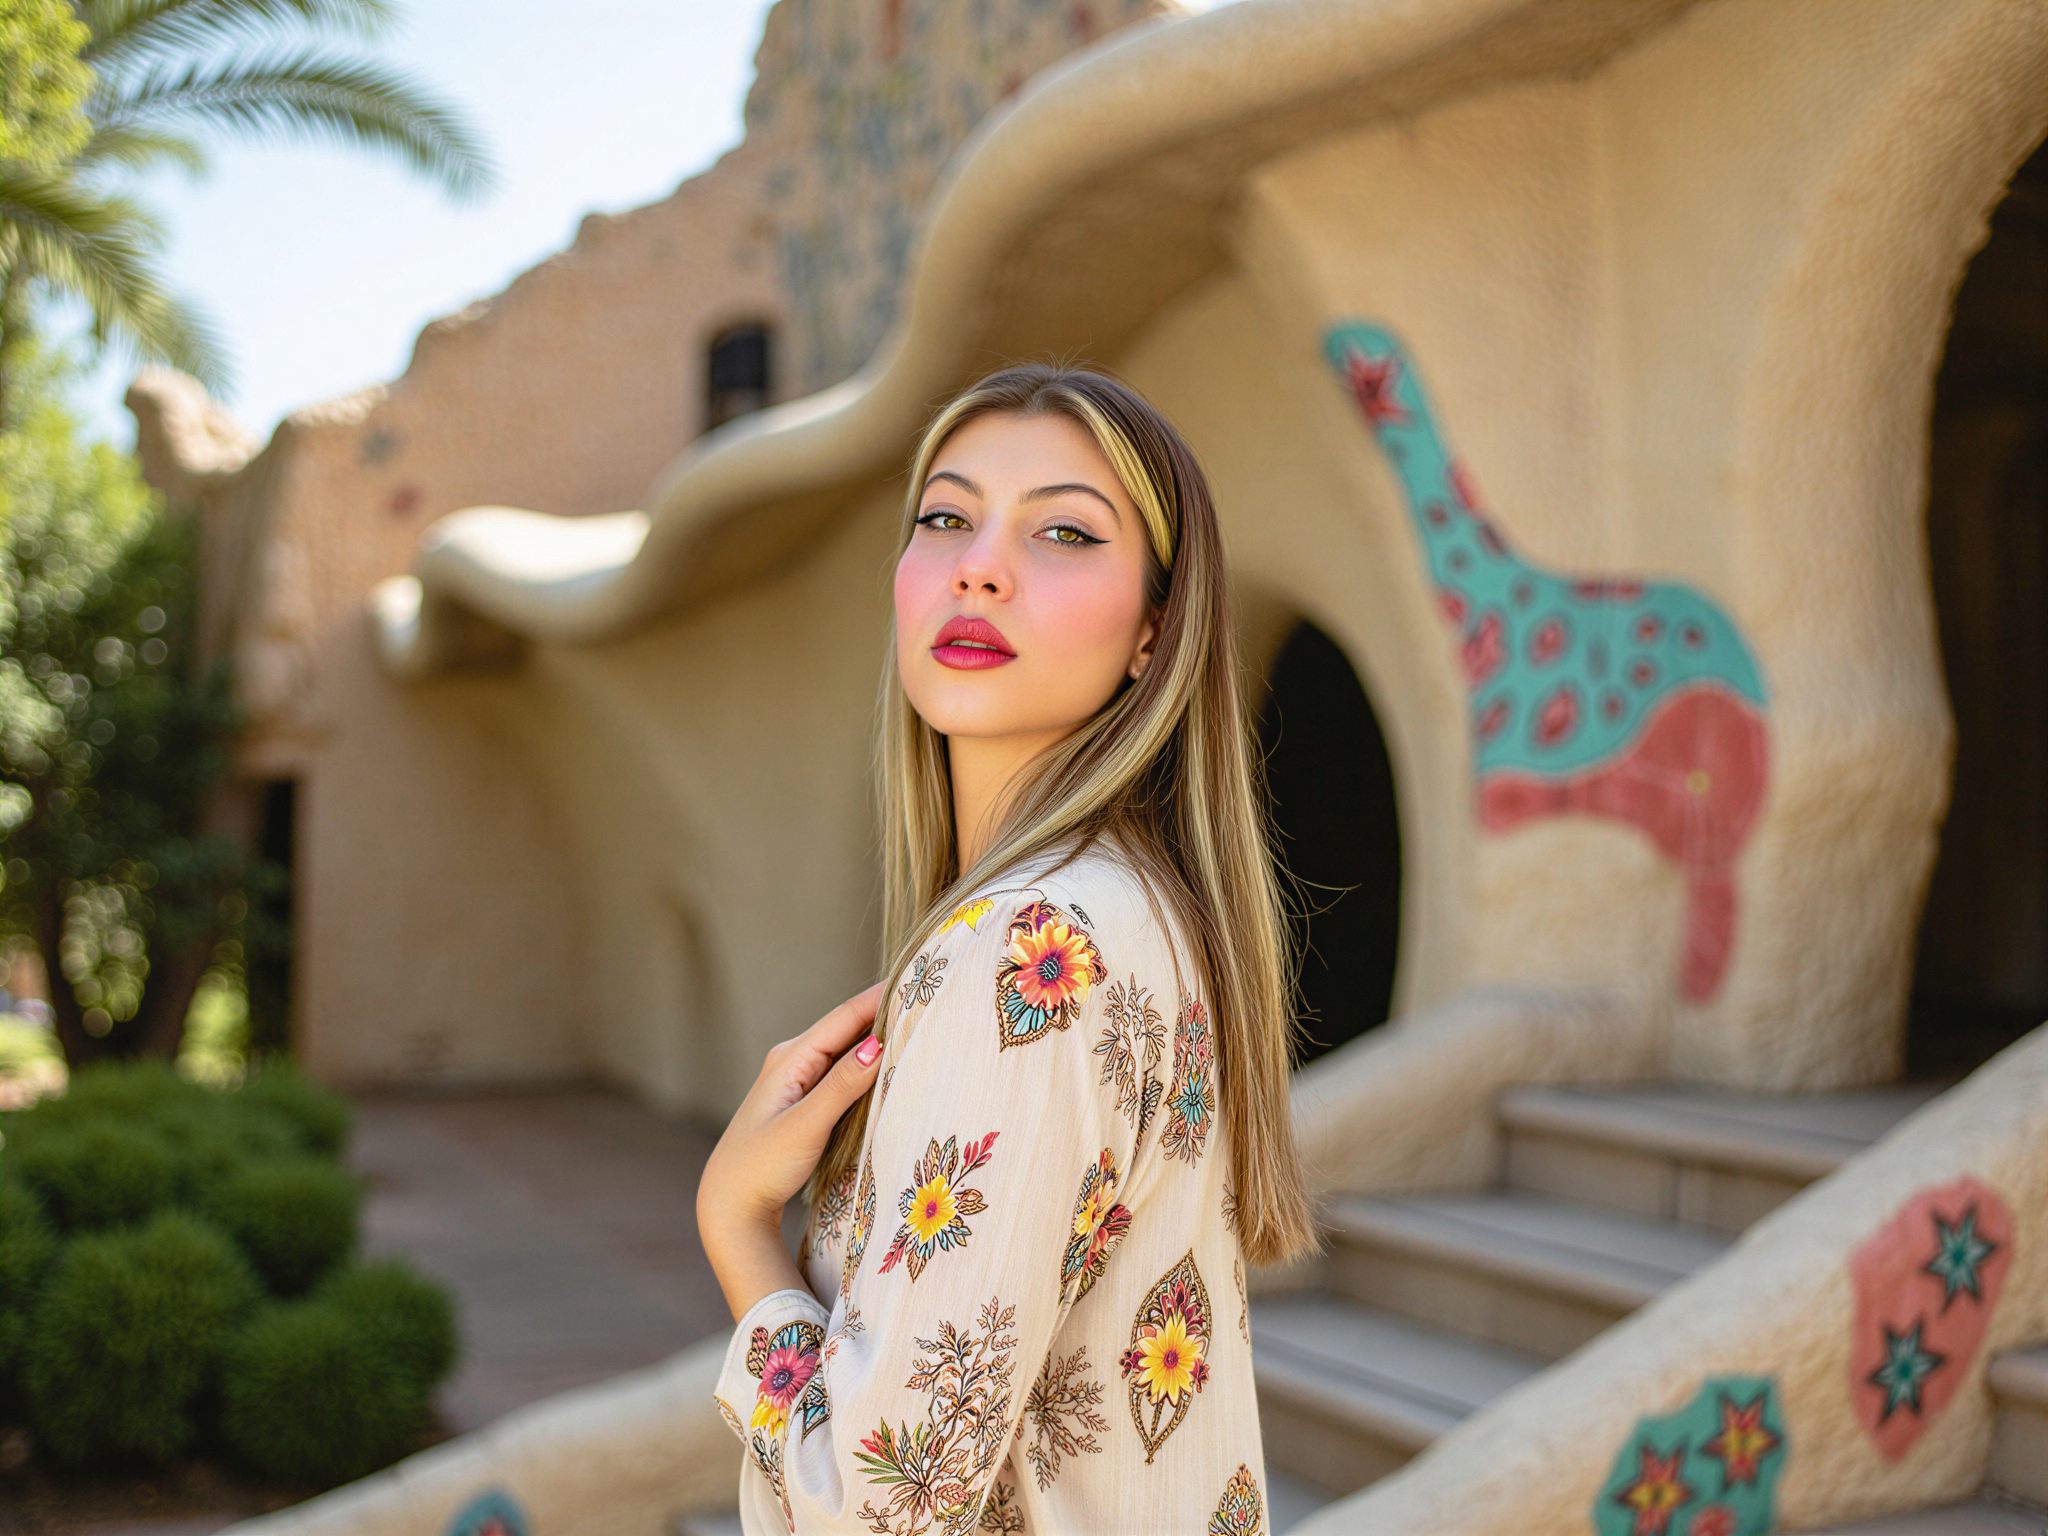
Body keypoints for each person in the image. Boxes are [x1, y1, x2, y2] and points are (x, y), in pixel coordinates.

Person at [696, 364, 1317, 1535]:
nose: (979, 564)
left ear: (1153, 632)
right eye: (945, 517)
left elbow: (878, 1511)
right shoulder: (1145, 910)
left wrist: (735, 1225)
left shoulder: (1032, 947)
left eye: (1065, 533)